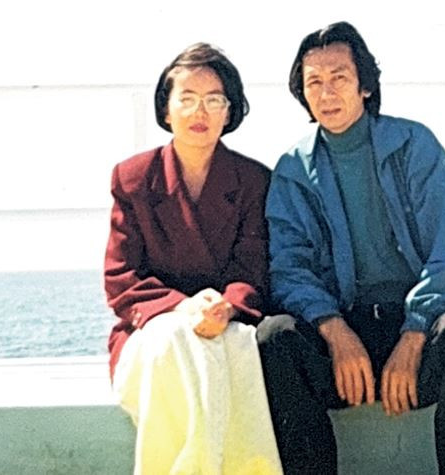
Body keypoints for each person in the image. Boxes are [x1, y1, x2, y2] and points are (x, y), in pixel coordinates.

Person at [257, 21, 445, 474]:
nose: (327, 93)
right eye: (314, 82)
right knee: (275, 337)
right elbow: (289, 270)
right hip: (342, 341)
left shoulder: (414, 145)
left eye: (339, 78)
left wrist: (414, 334)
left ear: (365, 86)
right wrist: (335, 332)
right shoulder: (292, 170)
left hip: (415, 333)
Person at [104, 43, 282, 474]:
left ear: (230, 110)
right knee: (176, 340)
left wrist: (228, 306)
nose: (199, 112)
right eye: (186, 98)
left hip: (228, 322)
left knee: (237, 346)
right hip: (152, 328)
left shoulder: (253, 180)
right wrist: (183, 307)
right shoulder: (133, 178)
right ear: (165, 110)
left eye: (214, 99)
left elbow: (254, 267)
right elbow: (121, 277)